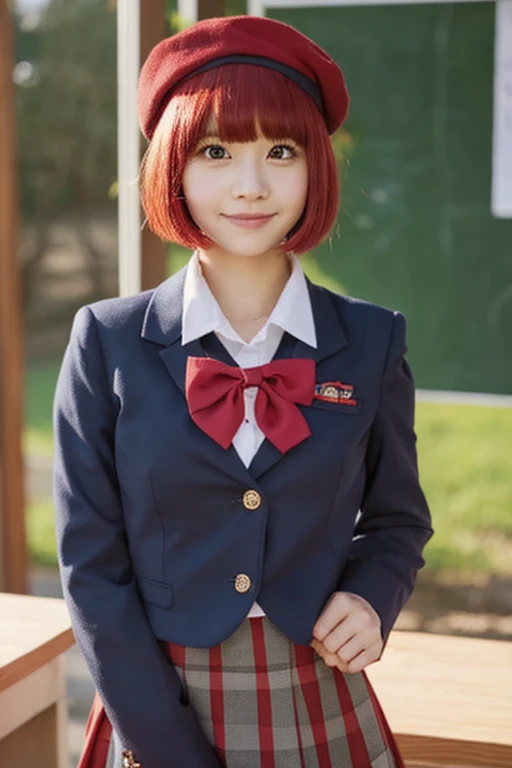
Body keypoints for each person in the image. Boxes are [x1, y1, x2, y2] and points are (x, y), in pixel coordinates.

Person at [53, 14, 433, 768]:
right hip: (155, 694)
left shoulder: (371, 341)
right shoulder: (108, 341)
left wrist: (370, 599)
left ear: (315, 167)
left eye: (281, 151)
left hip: (315, 689)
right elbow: (91, 570)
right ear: (174, 166)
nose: (251, 185)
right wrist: (166, 748)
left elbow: (397, 522)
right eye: (217, 151)